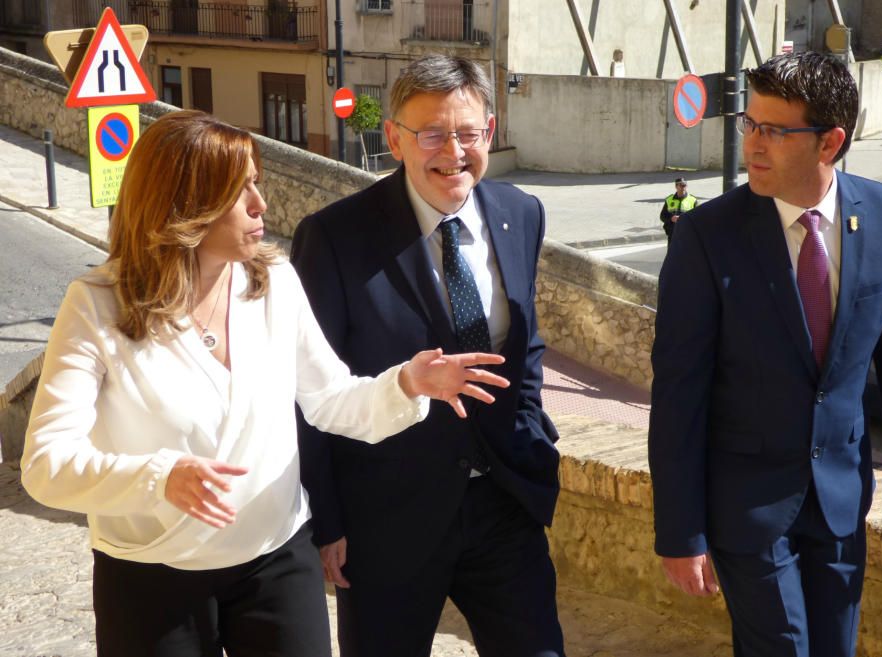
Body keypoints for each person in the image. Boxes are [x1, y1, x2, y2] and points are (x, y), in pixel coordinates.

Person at [19, 110, 509, 657]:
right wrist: (159, 477)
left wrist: (408, 385)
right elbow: (45, 465)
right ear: (185, 205)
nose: (261, 205)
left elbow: (330, 401)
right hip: (151, 574)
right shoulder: (96, 305)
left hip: (277, 559)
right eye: (240, 190)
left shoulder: (273, 281)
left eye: (257, 182)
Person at [648, 52, 882, 657]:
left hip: (840, 497)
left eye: (774, 131)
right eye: (749, 124)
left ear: (830, 142)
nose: (753, 144)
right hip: (745, 508)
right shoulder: (706, 237)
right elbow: (678, 395)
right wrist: (680, 530)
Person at [291, 54, 565, 657]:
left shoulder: (522, 214)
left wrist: (531, 435)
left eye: (467, 133)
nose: (453, 151)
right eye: (432, 134)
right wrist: (327, 520)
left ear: (489, 132)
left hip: (503, 504)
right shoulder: (334, 238)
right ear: (394, 139)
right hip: (387, 519)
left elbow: (526, 344)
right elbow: (309, 390)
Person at [659, 177, 698, 242]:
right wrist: (671, 218)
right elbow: (662, 216)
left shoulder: (693, 200)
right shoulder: (669, 200)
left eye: (684, 185)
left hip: (687, 234)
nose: (683, 187)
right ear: (676, 186)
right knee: (672, 252)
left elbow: (697, 218)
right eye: (681, 185)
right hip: (672, 234)